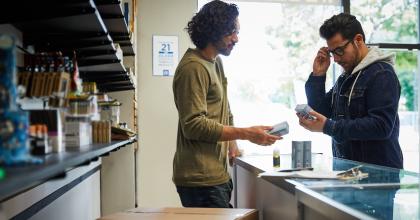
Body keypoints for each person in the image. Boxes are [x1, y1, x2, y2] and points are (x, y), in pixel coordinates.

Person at [172, 0, 281, 208]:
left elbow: (224, 109)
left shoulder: (215, 62)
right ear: (214, 30)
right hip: (200, 178)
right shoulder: (193, 68)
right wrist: (247, 133)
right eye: (231, 32)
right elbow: (193, 125)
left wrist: (233, 144)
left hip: (217, 174)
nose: (236, 39)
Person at [297, 13, 403, 169]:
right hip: (348, 171)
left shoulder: (381, 73)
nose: (337, 59)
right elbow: (320, 111)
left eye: (339, 50)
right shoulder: (346, 77)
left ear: (358, 40)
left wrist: (329, 127)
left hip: (377, 176)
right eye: (332, 53)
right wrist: (318, 76)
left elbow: (381, 126)